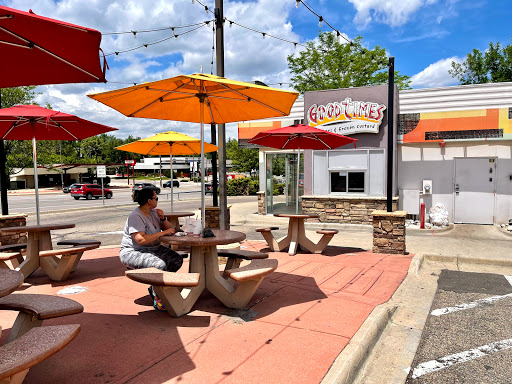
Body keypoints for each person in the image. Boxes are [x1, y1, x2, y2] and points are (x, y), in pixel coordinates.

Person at [120, 187, 183, 311]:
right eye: (156, 198)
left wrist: (163, 218)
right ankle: (158, 297)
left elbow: (169, 228)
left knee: (176, 260)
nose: (157, 201)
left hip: (153, 249)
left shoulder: (154, 213)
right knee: (159, 265)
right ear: (149, 201)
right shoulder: (136, 216)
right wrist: (162, 233)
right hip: (133, 252)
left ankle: (158, 288)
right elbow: (140, 239)